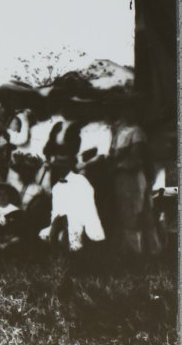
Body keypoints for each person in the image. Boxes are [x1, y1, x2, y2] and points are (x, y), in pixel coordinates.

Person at [108, 101, 161, 254]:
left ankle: (144, 251)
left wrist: (118, 164)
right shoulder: (120, 130)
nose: (128, 113)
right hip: (121, 177)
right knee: (126, 212)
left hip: (132, 176)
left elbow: (137, 157)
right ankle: (132, 250)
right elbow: (113, 153)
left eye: (132, 110)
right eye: (125, 109)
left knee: (137, 211)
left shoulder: (137, 131)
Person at [39, 153, 105, 252]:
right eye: (57, 167)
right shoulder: (57, 186)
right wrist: (55, 224)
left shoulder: (80, 181)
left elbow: (88, 208)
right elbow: (56, 210)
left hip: (78, 219)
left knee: (74, 243)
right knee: (44, 235)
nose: (58, 170)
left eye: (62, 167)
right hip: (60, 220)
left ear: (68, 167)